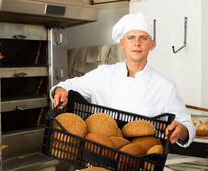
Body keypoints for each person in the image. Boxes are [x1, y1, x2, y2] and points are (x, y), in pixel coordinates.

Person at [50, 13, 195, 147]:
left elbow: (186, 124)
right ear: (122, 44)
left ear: (152, 44)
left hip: (138, 167)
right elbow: (67, 85)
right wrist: (60, 90)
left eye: (143, 38)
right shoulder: (103, 74)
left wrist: (181, 130)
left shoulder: (165, 87)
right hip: (96, 157)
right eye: (131, 37)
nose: (137, 43)